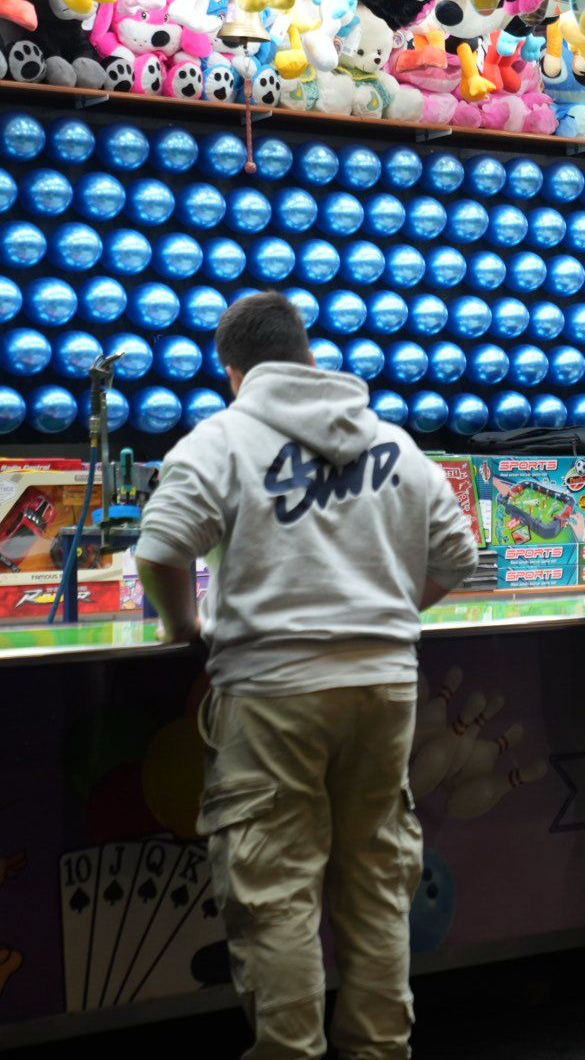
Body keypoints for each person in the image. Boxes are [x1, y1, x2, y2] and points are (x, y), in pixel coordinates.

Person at [134, 292, 480, 1060]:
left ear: (234, 372)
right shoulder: (393, 441)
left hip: (270, 692)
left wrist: (182, 626)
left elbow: (160, 550)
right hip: (386, 687)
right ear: (309, 354)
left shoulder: (220, 440)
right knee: (377, 885)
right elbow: (459, 557)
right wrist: (388, 609)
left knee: (276, 892)